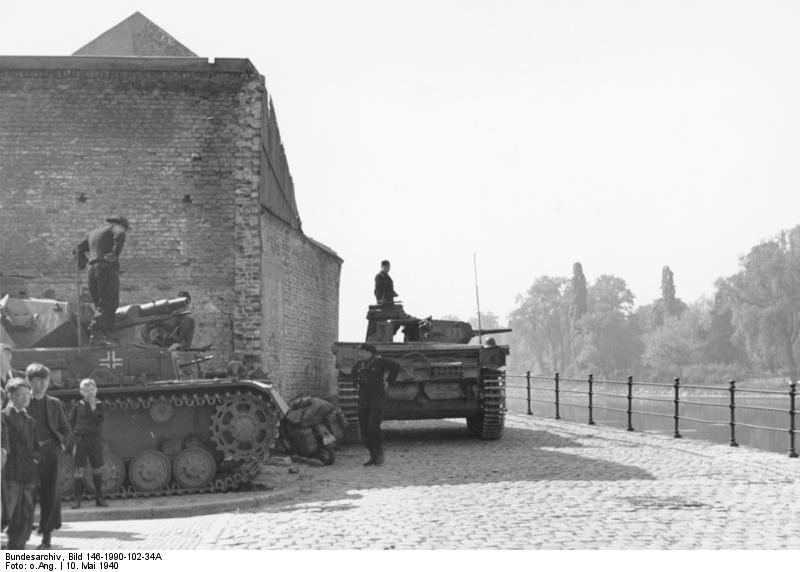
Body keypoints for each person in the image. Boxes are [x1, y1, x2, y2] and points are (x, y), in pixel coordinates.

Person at [26, 363, 71, 549]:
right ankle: (21, 535)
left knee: (50, 494)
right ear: (29, 381)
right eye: (38, 380)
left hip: (52, 453)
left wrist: (60, 445)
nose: (43, 383)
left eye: (45, 379)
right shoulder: (21, 402)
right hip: (30, 454)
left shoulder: (54, 403)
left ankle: (46, 539)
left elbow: (66, 430)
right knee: (27, 495)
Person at [75, 216, 130, 346]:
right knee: (108, 303)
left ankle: (101, 336)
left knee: (100, 304)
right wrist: (114, 255)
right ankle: (97, 333)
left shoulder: (94, 233)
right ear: (120, 224)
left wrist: (82, 262)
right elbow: (121, 235)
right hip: (105, 268)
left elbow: (78, 249)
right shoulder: (115, 228)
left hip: (92, 270)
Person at [1, 378, 39, 550]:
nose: (25, 398)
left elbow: (35, 447)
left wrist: (35, 462)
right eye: (20, 395)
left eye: (27, 394)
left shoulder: (30, 420)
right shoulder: (3, 417)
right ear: (10, 396)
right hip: (8, 475)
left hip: (26, 475)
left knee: (24, 518)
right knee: (6, 516)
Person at [352, 343, 400, 467]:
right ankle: (372, 455)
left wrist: (389, 381)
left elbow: (395, 367)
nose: (360, 354)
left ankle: (378, 454)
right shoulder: (360, 364)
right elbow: (353, 374)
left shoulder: (379, 362)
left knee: (373, 426)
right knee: (364, 426)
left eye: (362, 352)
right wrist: (355, 384)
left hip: (377, 397)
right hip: (364, 397)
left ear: (369, 352)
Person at [68, 378, 108, 508]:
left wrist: (93, 406)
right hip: (81, 440)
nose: (89, 392)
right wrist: (74, 435)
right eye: (86, 390)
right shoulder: (77, 405)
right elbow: (71, 422)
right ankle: (77, 499)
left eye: (91, 390)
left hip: (95, 439)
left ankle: (99, 497)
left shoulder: (100, 404)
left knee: (97, 468)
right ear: (81, 392)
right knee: (79, 469)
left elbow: (99, 420)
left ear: (96, 390)